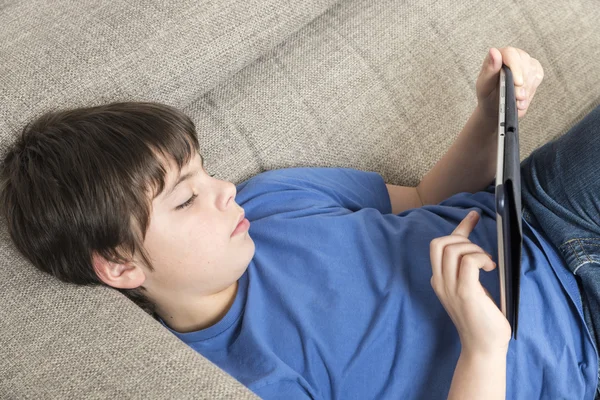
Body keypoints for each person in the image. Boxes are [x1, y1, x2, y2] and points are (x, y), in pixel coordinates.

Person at [1, 46, 598, 399]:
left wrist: (490, 115)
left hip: (550, 210)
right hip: (581, 350)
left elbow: (423, 195)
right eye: (185, 200)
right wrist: (483, 348)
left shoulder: (269, 201)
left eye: (204, 172)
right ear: (120, 265)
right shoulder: (249, 377)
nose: (224, 191)